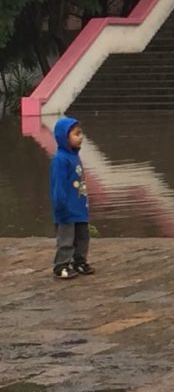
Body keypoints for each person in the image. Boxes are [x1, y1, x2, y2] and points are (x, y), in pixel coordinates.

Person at [50, 116, 93, 279]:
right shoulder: (60, 160)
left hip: (79, 206)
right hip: (66, 208)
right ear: (64, 137)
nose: (80, 137)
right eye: (76, 134)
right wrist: (60, 205)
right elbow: (58, 184)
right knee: (66, 239)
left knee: (82, 236)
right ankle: (61, 265)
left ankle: (79, 261)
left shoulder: (75, 156)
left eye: (81, 133)